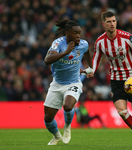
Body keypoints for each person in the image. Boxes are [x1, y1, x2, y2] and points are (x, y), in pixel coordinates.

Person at [92, 11, 132, 144]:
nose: (112, 24)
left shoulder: (127, 37)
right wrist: (92, 70)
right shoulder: (100, 42)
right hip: (115, 79)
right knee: (122, 112)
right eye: (109, 22)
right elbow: (97, 58)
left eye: (114, 21)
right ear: (103, 24)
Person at [43, 17, 94, 145]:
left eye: (79, 33)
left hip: (73, 82)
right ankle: (56, 136)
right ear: (67, 33)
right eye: (75, 33)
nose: (78, 36)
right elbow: (47, 60)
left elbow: (87, 52)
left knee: (68, 105)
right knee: (48, 118)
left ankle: (67, 126)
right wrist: (66, 52)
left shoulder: (83, 44)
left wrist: (91, 67)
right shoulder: (58, 43)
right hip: (57, 83)